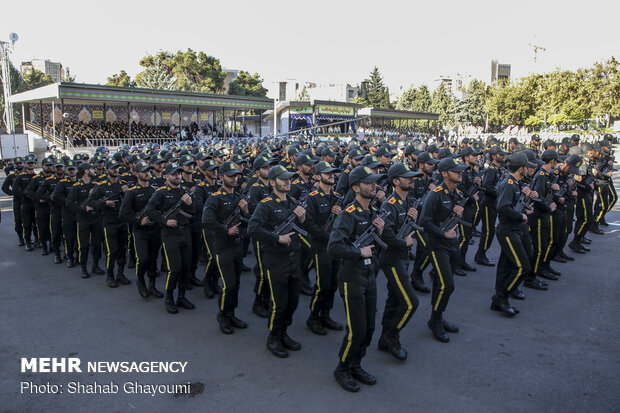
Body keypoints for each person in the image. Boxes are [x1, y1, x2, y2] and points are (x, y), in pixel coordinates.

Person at [327, 166, 385, 392]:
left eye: (374, 182)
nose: (373, 186)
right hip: (352, 278)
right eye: (368, 182)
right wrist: (358, 252)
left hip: (369, 275)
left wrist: (379, 234)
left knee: (370, 327)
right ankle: (342, 367)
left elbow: (375, 246)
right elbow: (334, 247)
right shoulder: (347, 214)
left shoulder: (371, 212)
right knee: (357, 328)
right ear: (355, 187)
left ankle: (356, 364)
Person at [248, 165, 306, 359]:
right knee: (279, 303)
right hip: (275, 259)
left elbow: (300, 228)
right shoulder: (265, 204)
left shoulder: (293, 202)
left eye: (289, 178)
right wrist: (276, 238)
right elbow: (253, 228)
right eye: (283, 179)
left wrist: (302, 218)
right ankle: (273, 337)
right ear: (272, 182)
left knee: (293, 301)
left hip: (293, 257)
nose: (287, 181)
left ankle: (283, 332)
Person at [419, 158, 466, 343]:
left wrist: (458, 214)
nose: (460, 173)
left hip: (451, 244)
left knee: (442, 284)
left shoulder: (456, 193)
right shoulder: (435, 194)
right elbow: (424, 222)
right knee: (448, 284)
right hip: (437, 245)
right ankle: (435, 321)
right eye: (456, 171)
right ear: (445, 173)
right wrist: (442, 233)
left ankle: (437, 317)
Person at [378, 163, 421, 361]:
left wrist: (414, 219)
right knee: (411, 302)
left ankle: (383, 338)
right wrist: (403, 241)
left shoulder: (409, 201)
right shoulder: (389, 205)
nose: (412, 180)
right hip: (393, 260)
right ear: (396, 181)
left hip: (403, 257)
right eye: (407, 177)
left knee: (395, 299)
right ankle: (391, 336)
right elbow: (386, 236)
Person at [203, 161, 249, 334]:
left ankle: (231, 313)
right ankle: (222, 315)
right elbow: (207, 221)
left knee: (236, 284)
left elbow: (247, 220)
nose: (235, 179)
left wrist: (246, 212)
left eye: (236, 175)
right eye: (231, 176)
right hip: (223, 247)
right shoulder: (215, 197)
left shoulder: (237, 197)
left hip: (237, 246)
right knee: (228, 284)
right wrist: (225, 230)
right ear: (221, 177)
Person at [145, 163, 196, 314]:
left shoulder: (185, 192)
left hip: (185, 232)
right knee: (174, 269)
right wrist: (165, 221)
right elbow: (149, 210)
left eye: (179, 173)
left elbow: (193, 212)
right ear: (166, 177)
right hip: (170, 235)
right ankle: (169, 298)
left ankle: (181, 297)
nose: (178, 176)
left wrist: (190, 203)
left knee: (186, 267)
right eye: (174, 174)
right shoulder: (160, 193)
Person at [492, 152, 535, 317]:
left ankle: (500, 300)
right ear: (521, 168)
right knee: (523, 266)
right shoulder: (509, 183)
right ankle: (501, 297)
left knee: (506, 266)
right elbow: (503, 207)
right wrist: (520, 216)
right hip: (508, 230)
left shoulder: (515, 183)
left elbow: (513, 205)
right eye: (526, 167)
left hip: (513, 229)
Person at [303, 161, 344, 336]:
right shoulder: (311, 197)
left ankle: (325, 314)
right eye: (327, 173)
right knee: (322, 284)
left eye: (333, 173)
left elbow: (341, 223)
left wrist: (340, 214)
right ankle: (313, 317)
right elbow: (309, 225)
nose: (331, 176)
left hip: (335, 248)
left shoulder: (336, 197)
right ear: (318, 176)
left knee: (333, 283)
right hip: (321, 248)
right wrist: (330, 237)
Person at [119, 161, 163, 299]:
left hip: (154, 230)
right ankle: (141, 282)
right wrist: (139, 221)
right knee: (143, 259)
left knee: (153, 259)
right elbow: (123, 213)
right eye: (144, 171)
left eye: (148, 171)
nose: (147, 173)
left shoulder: (155, 190)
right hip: (140, 231)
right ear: (137, 174)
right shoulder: (132, 192)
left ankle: (152, 285)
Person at [89, 159, 130, 288]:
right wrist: (104, 203)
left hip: (122, 221)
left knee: (123, 250)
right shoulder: (101, 185)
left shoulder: (124, 184)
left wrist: (127, 193)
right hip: (109, 222)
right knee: (112, 251)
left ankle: (120, 274)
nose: (116, 170)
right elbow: (91, 202)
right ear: (107, 170)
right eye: (113, 168)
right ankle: (110, 275)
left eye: (117, 168)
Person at [66, 162, 104, 278]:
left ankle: (96, 265)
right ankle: (83, 267)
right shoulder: (76, 186)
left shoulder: (96, 185)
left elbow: (102, 199)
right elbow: (69, 204)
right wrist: (84, 208)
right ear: (86, 171)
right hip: (83, 220)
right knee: (84, 246)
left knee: (97, 244)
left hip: (96, 219)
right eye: (91, 169)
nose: (94, 170)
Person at [475, 145, 506, 267]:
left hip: (494, 204)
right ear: (493, 156)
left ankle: (481, 254)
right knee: (488, 231)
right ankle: (480, 255)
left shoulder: (499, 169)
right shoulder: (492, 169)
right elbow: (486, 187)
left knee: (490, 231)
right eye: (500, 154)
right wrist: (498, 192)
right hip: (488, 203)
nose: (502, 156)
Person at [52, 160, 78, 268]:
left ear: (77, 170)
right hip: (67, 214)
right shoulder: (62, 183)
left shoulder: (80, 182)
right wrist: (68, 202)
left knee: (78, 237)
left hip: (79, 214)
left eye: (73, 169)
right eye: (69, 170)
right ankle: (69, 257)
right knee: (69, 237)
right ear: (66, 171)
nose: (71, 172)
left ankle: (78, 255)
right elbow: (56, 196)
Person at [1, 157, 25, 245]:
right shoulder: (11, 176)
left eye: (20, 163)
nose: (19, 165)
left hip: (28, 200)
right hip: (17, 201)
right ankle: (20, 238)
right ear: (14, 165)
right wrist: (12, 193)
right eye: (17, 164)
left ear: (23, 164)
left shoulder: (29, 175)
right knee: (18, 220)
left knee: (30, 220)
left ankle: (30, 239)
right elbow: (4, 187)